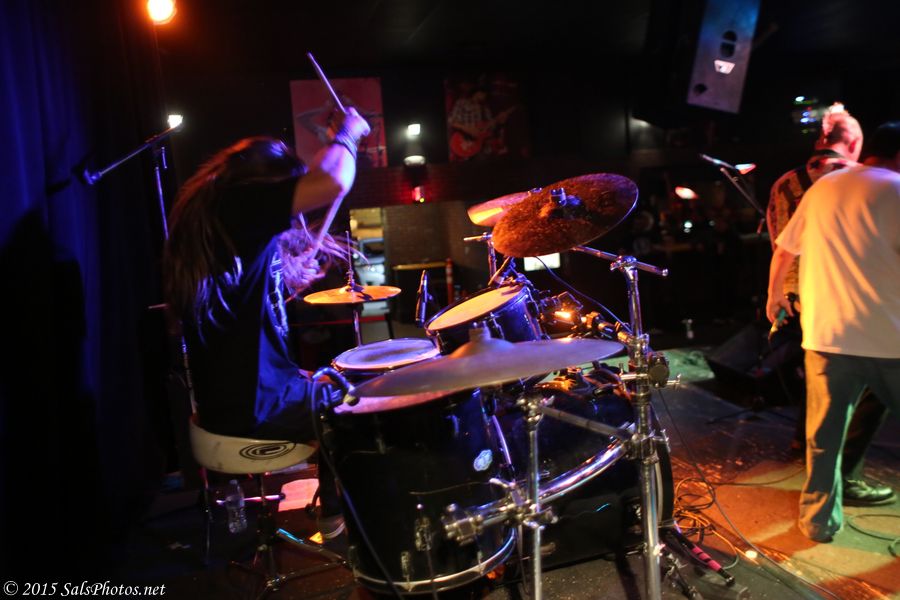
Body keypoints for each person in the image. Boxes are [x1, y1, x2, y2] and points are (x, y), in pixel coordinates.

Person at [164, 108, 371, 539]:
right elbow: (332, 181)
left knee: (336, 379)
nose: (293, 215)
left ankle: (335, 507)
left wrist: (291, 269)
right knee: (367, 399)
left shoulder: (224, 216)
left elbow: (249, 297)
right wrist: (348, 134)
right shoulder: (240, 205)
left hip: (242, 401)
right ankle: (350, 514)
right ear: (264, 184)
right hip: (256, 409)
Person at [766, 120, 900, 542]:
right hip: (888, 338)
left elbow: (784, 249)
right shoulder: (896, 189)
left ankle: (818, 522)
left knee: (823, 438)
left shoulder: (823, 187)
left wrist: (774, 296)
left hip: (826, 336)